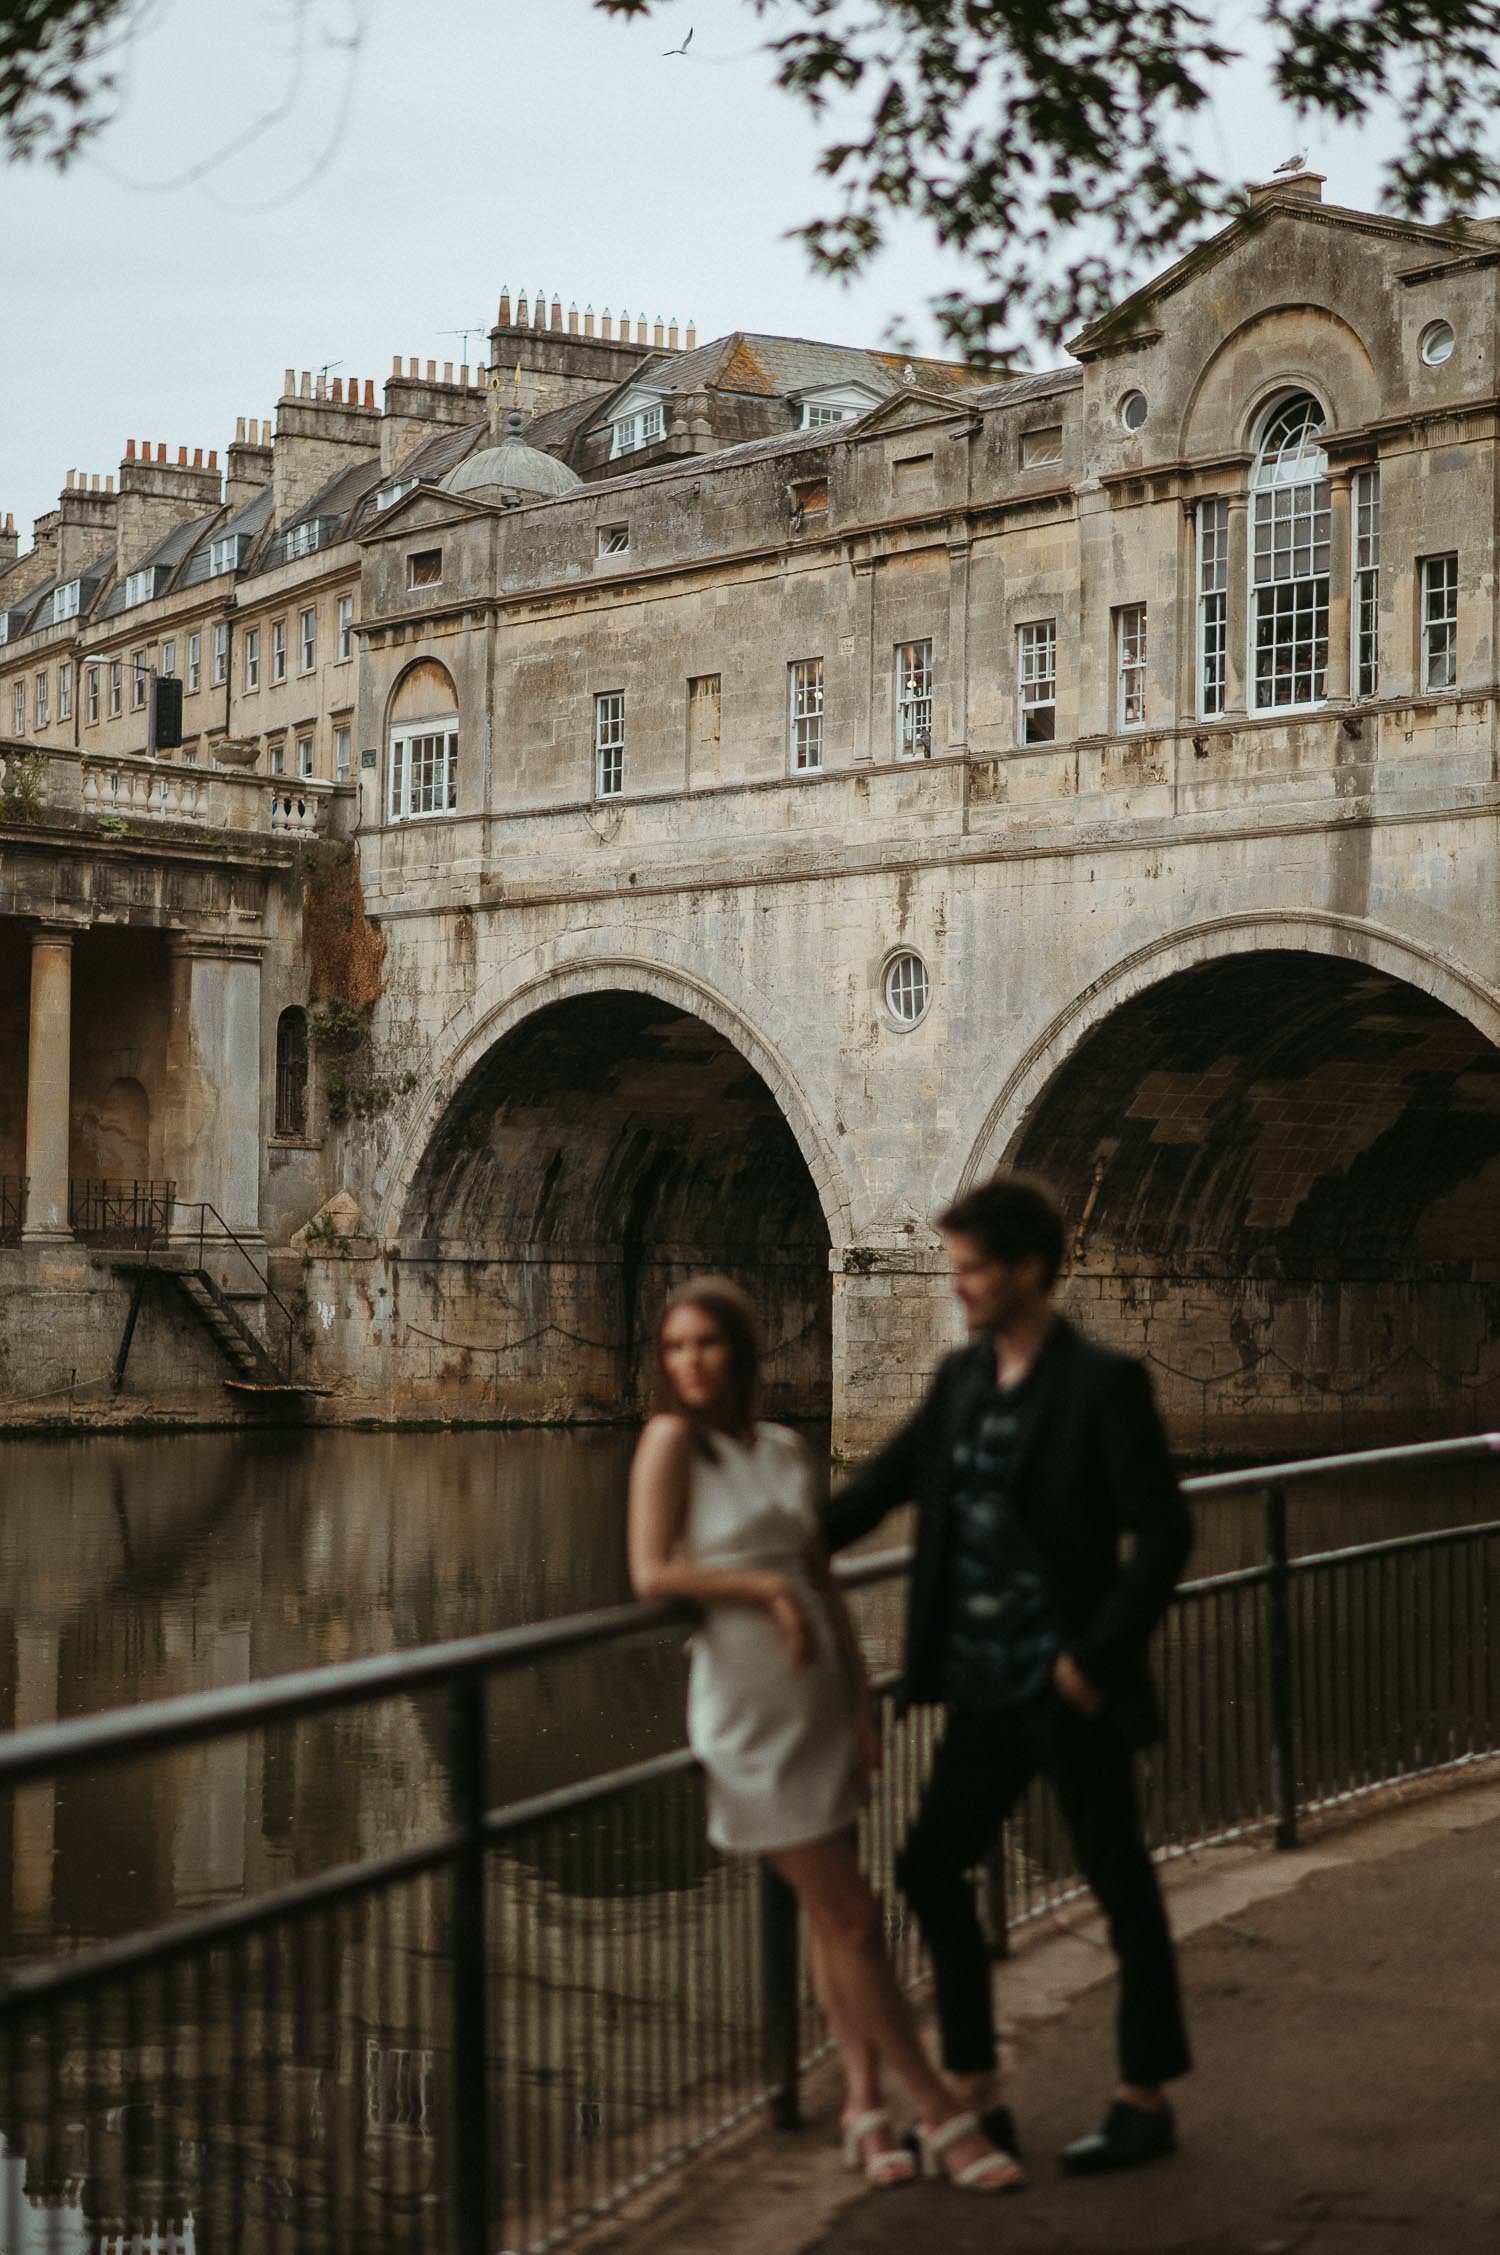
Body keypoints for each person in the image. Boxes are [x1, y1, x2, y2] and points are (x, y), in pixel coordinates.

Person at [823, 1172, 1193, 2175]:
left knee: (1119, 1883)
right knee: (931, 1865)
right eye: (956, 1268)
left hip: (1068, 1685)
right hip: (984, 1685)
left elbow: (1164, 1534)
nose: (959, 1287)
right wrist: (753, 1548)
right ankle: (978, 2091)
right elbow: (874, 1494)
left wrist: (1092, 1660)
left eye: (973, 1268)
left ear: (1029, 1269)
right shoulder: (961, 1381)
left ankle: (1144, 2094)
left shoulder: (1102, 1384)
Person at [627, 1275, 1023, 2193]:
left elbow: (823, 1576)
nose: (690, 1362)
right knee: (854, 1914)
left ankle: (861, 2103)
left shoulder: (783, 1449)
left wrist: (859, 1698)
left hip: (815, 1698)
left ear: (741, 1352)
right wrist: (762, 1591)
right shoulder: (667, 1445)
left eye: (708, 1344)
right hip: (745, 1707)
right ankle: (940, 2110)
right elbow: (653, 1573)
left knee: (833, 1918)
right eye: (675, 1346)